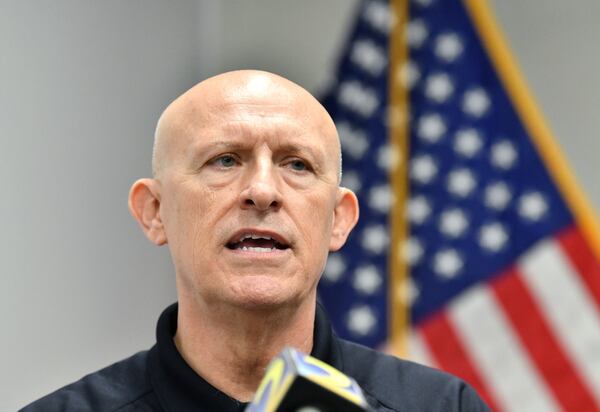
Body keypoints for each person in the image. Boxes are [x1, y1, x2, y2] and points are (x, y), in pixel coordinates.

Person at [21, 70, 490, 411]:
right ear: (155, 212)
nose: (263, 191)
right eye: (225, 160)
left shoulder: (444, 407)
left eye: (297, 164)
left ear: (338, 220)